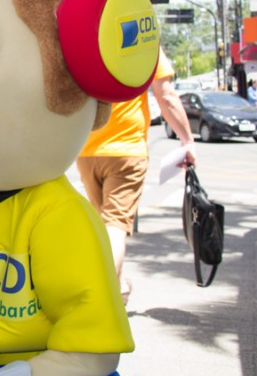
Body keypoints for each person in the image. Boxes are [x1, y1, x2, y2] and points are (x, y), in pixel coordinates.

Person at [76, 47, 197, 304]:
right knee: (115, 226)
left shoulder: (90, 37)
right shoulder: (145, 40)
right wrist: (187, 140)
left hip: (87, 149)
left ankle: (118, 288)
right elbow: (166, 95)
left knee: (105, 227)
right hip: (126, 149)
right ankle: (102, 299)